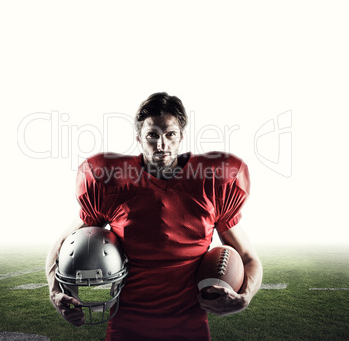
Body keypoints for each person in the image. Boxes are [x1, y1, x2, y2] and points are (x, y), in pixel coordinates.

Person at [46, 92, 263, 341]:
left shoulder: (211, 184)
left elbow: (248, 257)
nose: (161, 145)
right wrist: (55, 293)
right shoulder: (113, 183)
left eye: (170, 134)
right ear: (139, 138)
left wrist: (244, 297)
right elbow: (61, 245)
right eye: (152, 135)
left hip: (189, 327)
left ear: (181, 136)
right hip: (126, 327)